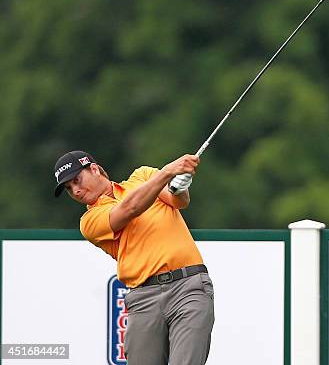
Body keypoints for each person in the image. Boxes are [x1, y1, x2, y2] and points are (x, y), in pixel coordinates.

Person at [53, 150, 214, 365]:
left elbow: (179, 201)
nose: (76, 190)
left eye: (76, 180)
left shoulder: (144, 176)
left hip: (189, 287)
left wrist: (180, 185)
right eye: (69, 188)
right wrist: (167, 172)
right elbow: (130, 208)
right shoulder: (89, 221)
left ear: (93, 169)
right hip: (144, 298)